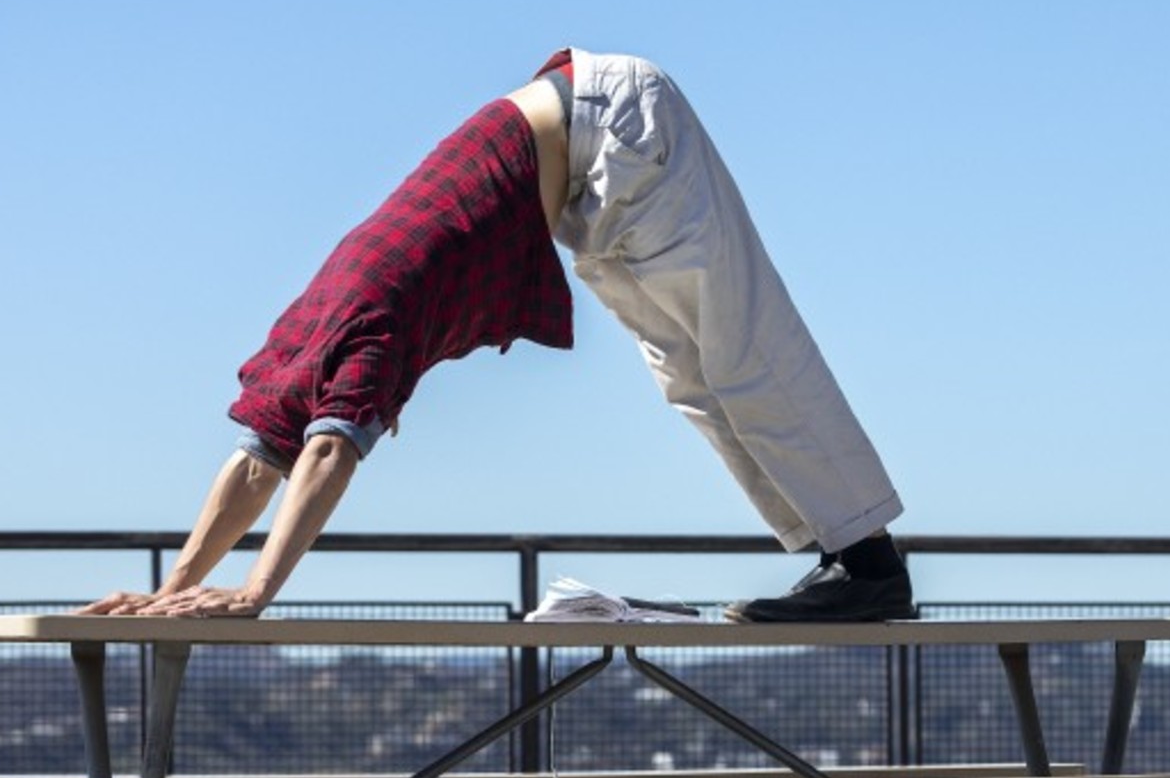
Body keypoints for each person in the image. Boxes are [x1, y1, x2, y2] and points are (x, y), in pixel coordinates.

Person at [81, 48, 912, 624]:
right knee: (690, 373)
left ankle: (871, 567)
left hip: (618, 123)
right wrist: (179, 583)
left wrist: (256, 589)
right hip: (593, 162)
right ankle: (845, 562)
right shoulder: (307, 341)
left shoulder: (360, 335)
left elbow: (324, 457)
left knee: (739, 347)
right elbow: (259, 460)